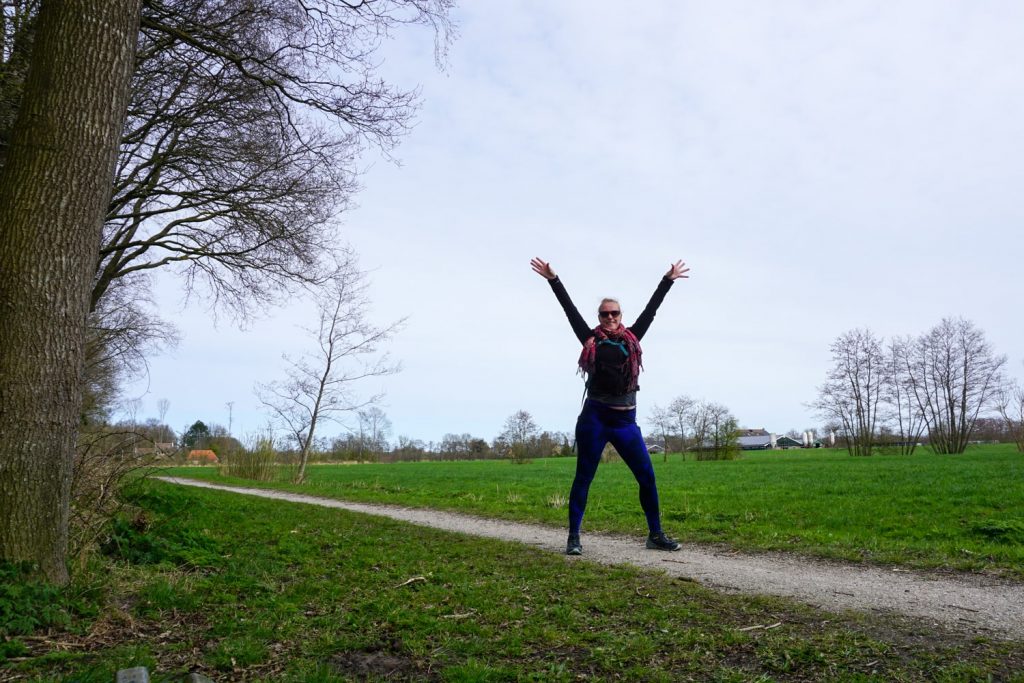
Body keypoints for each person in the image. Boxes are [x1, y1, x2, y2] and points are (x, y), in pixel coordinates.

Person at [530, 257, 690, 555]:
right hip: (595, 419)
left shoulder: (633, 338)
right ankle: (574, 538)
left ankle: (655, 535)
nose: (609, 317)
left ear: (621, 315)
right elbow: (569, 310)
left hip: (626, 422)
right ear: (599, 316)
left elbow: (651, 310)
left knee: (647, 477)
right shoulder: (590, 338)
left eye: (614, 313)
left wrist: (667, 280)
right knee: (584, 477)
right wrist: (554, 279)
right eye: (605, 314)